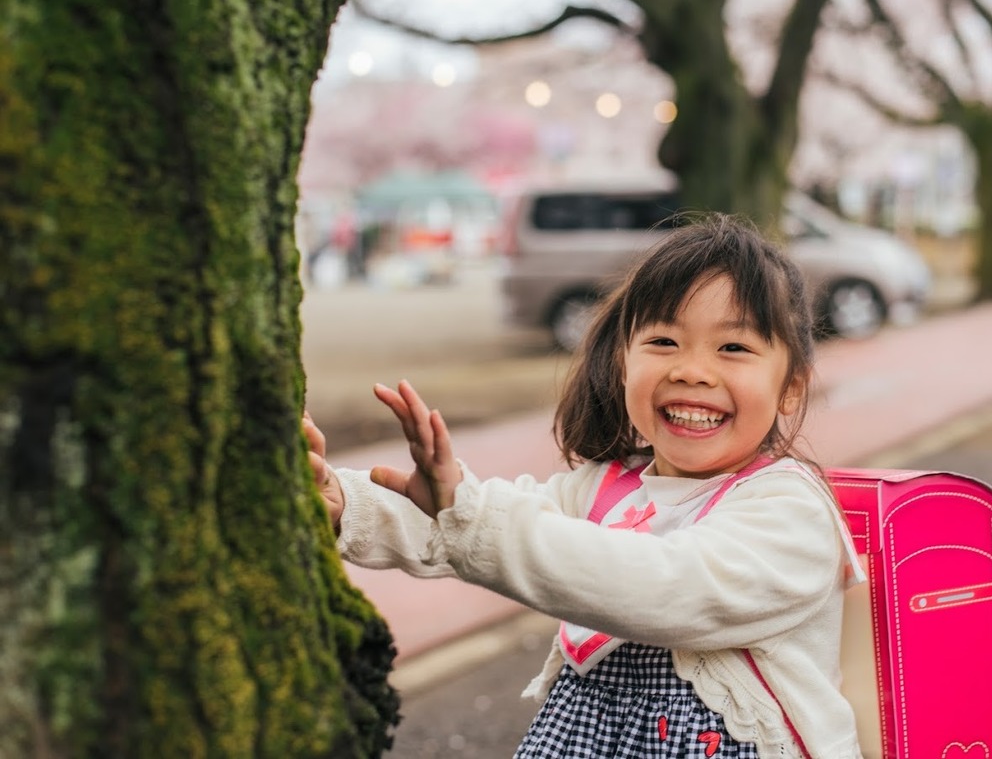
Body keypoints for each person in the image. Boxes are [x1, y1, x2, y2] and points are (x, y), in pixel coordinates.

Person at [304, 213, 866, 759]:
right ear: (623, 365)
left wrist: (469, 516)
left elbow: (665, 588)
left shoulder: (789, 510)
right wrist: (345, 500)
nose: (691, 370)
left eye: (734, 348)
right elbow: (463, 526)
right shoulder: (602, 491)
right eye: (663, 341)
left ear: (791, 388)